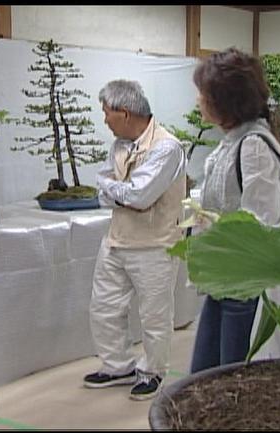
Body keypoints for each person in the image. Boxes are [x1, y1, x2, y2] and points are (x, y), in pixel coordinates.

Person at [189, 47, 280, 373]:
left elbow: (262, 222)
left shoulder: (254, 146)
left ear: (224, 102)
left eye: (203, 94)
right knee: (206, 372)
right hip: (226, 277)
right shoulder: (234, 140)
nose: (198, 101)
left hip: (243, 283)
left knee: (230, 376)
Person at [84, 79, 187, 401]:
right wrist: (120, 193)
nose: (104, 119)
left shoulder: (167, 147)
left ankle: (153, 371)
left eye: (106, 113)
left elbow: (140, 197)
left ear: (124, 113)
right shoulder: (119, 145)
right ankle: (116, 365)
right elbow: (104, 191)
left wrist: (115, 190)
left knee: (154, 316)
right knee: (103, 308)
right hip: (116, 240)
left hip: (155, 244)